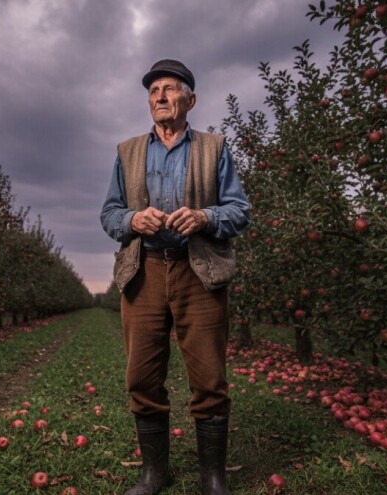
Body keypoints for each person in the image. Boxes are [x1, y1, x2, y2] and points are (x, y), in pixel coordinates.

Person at [100, 59, 250, 495]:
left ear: (191, 99)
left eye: (169, 89)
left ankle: (213, 479)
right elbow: (109, 214)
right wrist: (132, 220)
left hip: (197, 271)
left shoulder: (214, 147)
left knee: (209, 379)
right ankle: (154, 473)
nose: (160, 97)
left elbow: (239, 210)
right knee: (142, 378)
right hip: (143, 274)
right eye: (153, 91)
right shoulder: (127, 151)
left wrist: (205, 216)